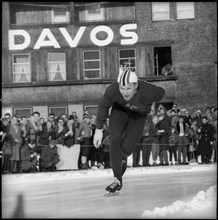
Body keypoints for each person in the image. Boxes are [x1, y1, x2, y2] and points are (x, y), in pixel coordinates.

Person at [93, 67, 165, 194]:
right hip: (120, 110)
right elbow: (103, 106)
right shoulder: (112, 90)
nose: (125, 92)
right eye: (122, 88)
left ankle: (122, 159)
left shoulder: (148, 91)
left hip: (138, 116)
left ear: (136, 85)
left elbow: (162, 92)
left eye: (128, 88)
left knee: (127, 149)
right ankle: (117, 180)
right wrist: (98, 129)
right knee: (115, 139)